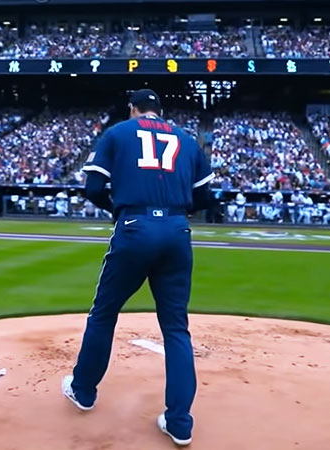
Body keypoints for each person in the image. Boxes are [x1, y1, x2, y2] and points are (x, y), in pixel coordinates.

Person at [63, 89, 211, 447]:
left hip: (134, 226)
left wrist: (119, 206)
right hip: (177, 231)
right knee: (176, 328)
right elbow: (206, 198)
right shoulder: (187, 140)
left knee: (104, 314)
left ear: (133, 109)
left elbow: (94, 188)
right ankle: (179, 422)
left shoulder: (118, 132)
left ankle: (83, 390)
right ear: (161, 111)